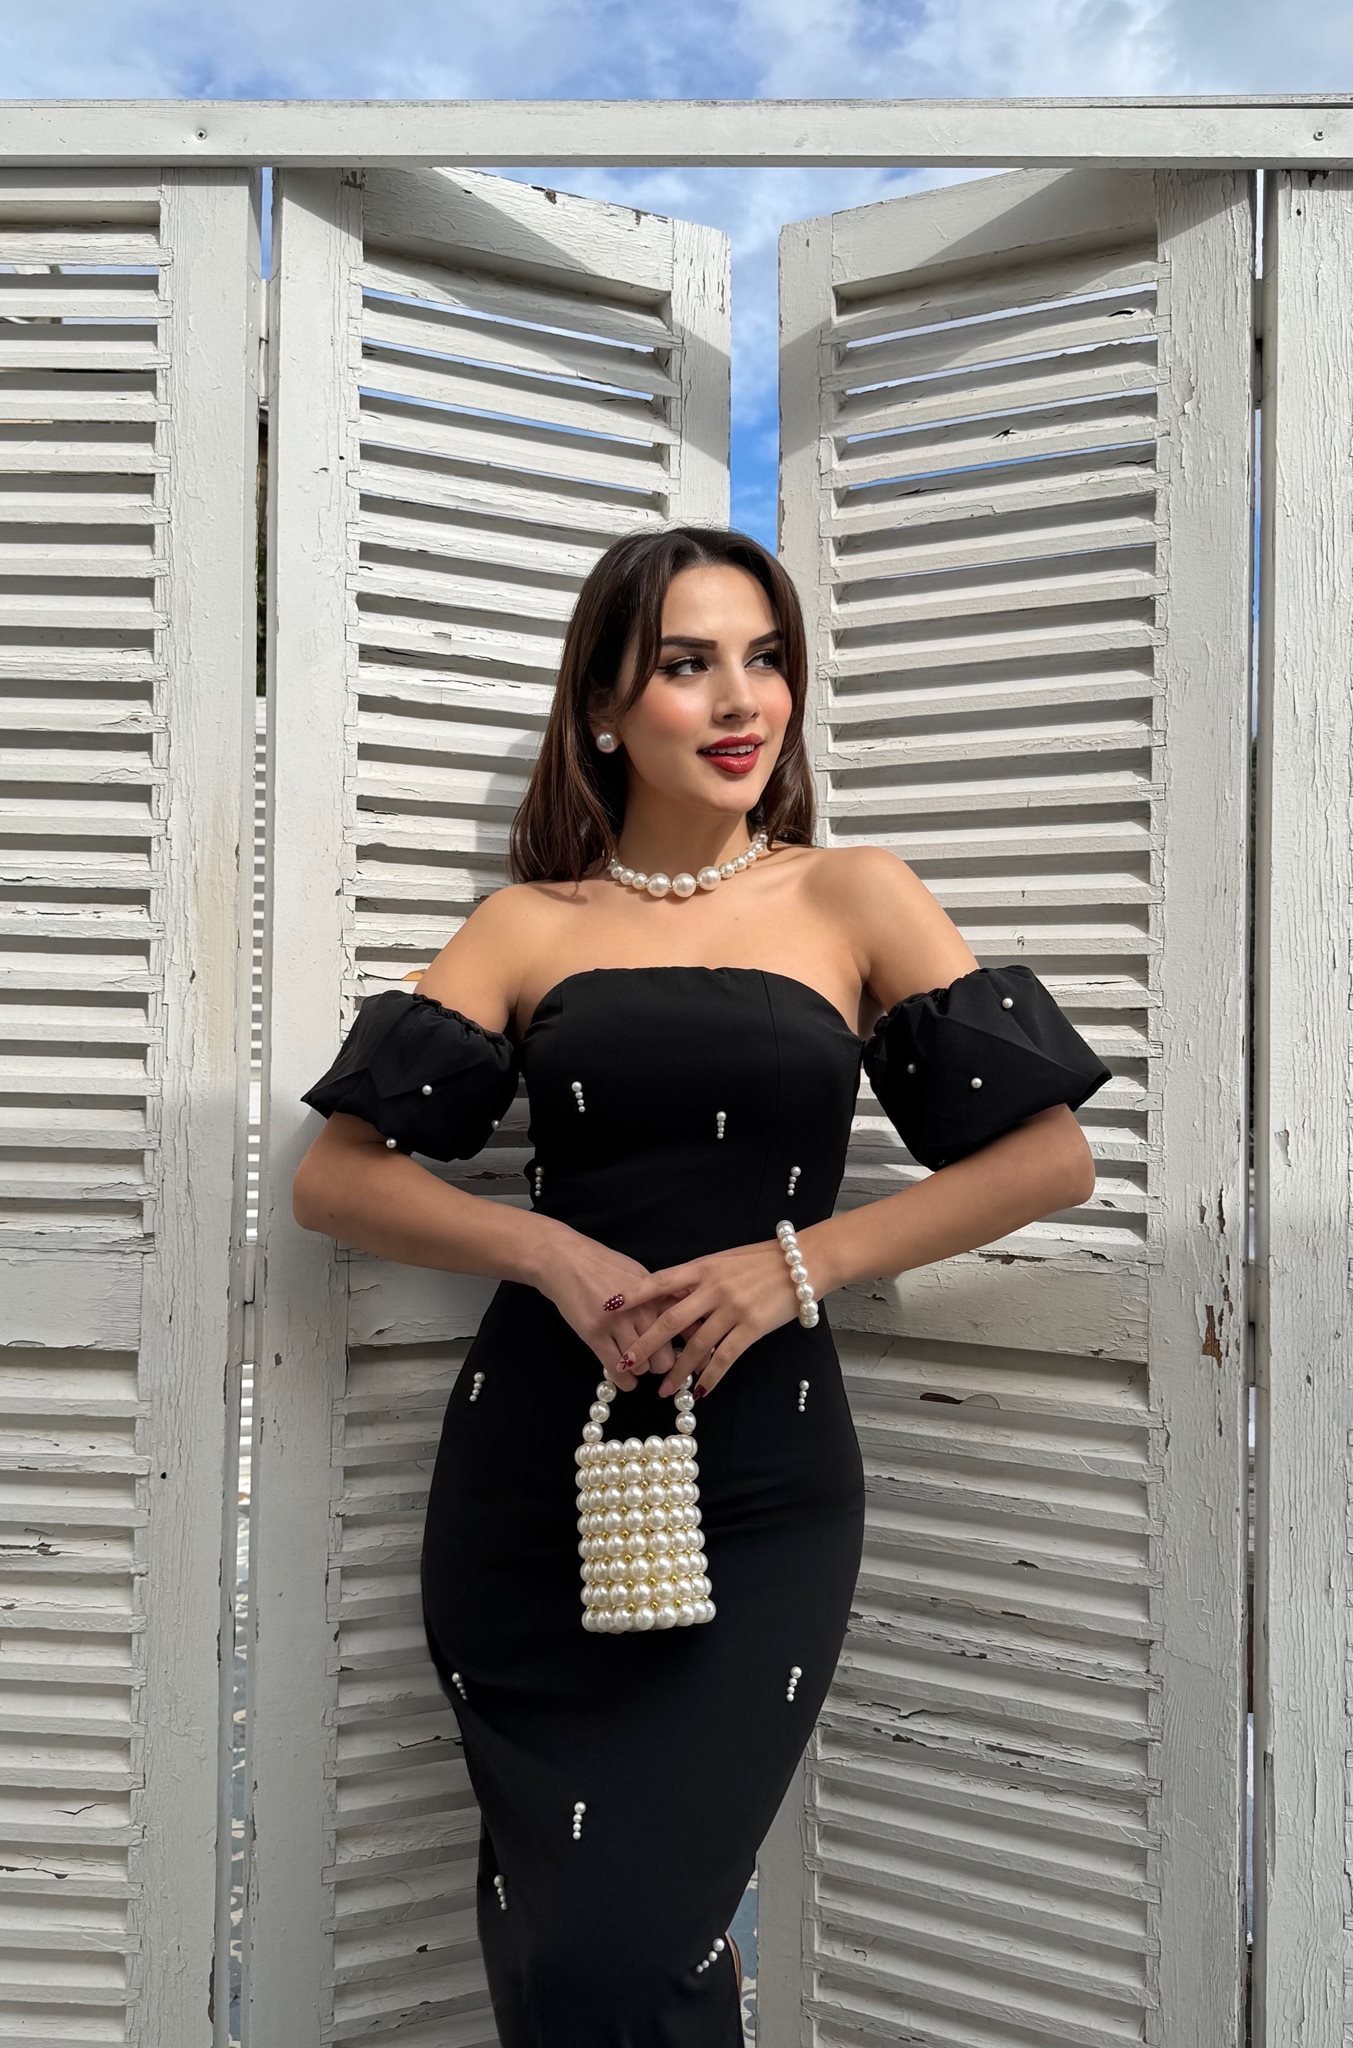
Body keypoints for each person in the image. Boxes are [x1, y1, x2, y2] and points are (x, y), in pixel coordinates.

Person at [292, 524, 1111, 2046]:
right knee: (555, 1945)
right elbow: (336, 1179)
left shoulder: (853, 895)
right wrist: (545, 1248)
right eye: (686, 664)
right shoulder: (528, 925)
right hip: (533, 1478)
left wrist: (799, 1264)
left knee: (626, 1943)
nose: (743, 700)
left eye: (766, 658)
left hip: (761, 1482)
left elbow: (1049, 1160)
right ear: (604, 708)